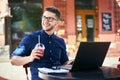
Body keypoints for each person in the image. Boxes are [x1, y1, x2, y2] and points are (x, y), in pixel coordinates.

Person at [10, 6, 71, 80]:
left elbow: (64, 62)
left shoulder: (60, 41)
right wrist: (30, 58)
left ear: (57, 22)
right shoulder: (30, 38)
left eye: (50, 19)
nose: (45, 21)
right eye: (44, 17)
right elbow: (13, 60)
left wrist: (73, 63)